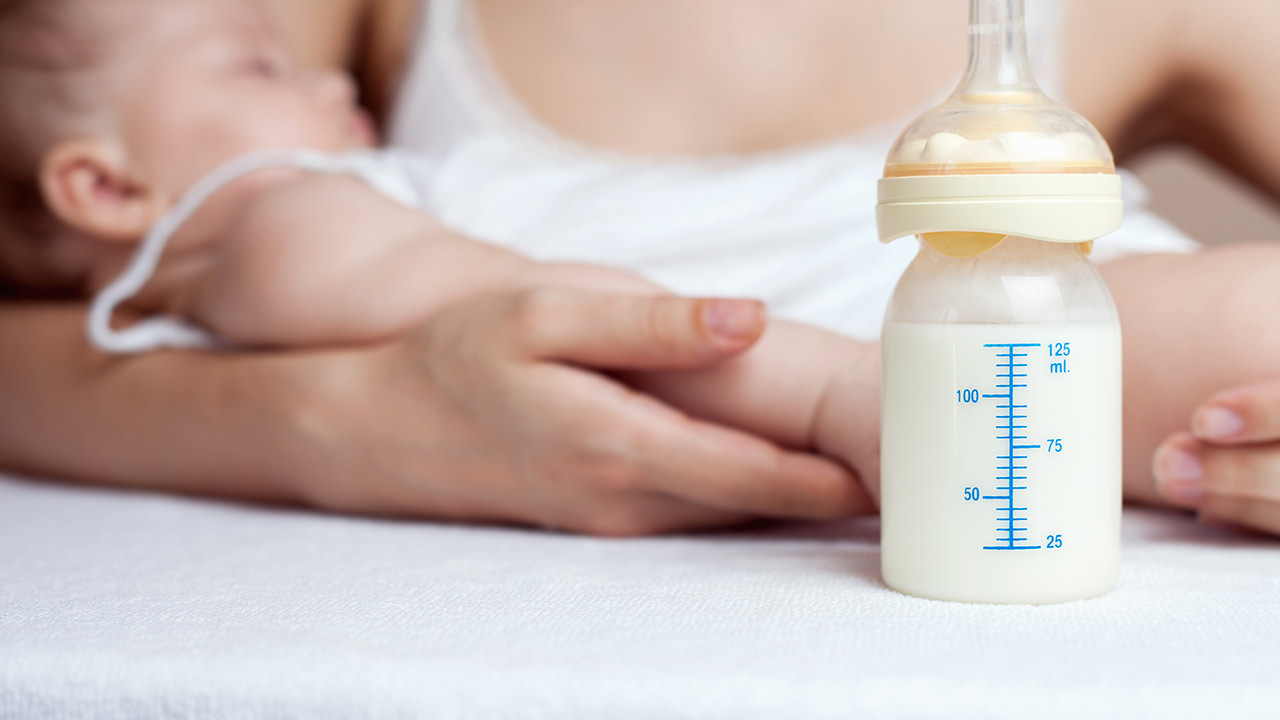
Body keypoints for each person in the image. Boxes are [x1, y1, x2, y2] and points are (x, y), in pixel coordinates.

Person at [0, 0, 1278, 537]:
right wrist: (852, 396)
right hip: (820, 333)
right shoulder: (284, 220)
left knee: (1229, 328)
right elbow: (589, 329)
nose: (332, 87)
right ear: (103, 186)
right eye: (261, 71)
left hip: (959, 293)